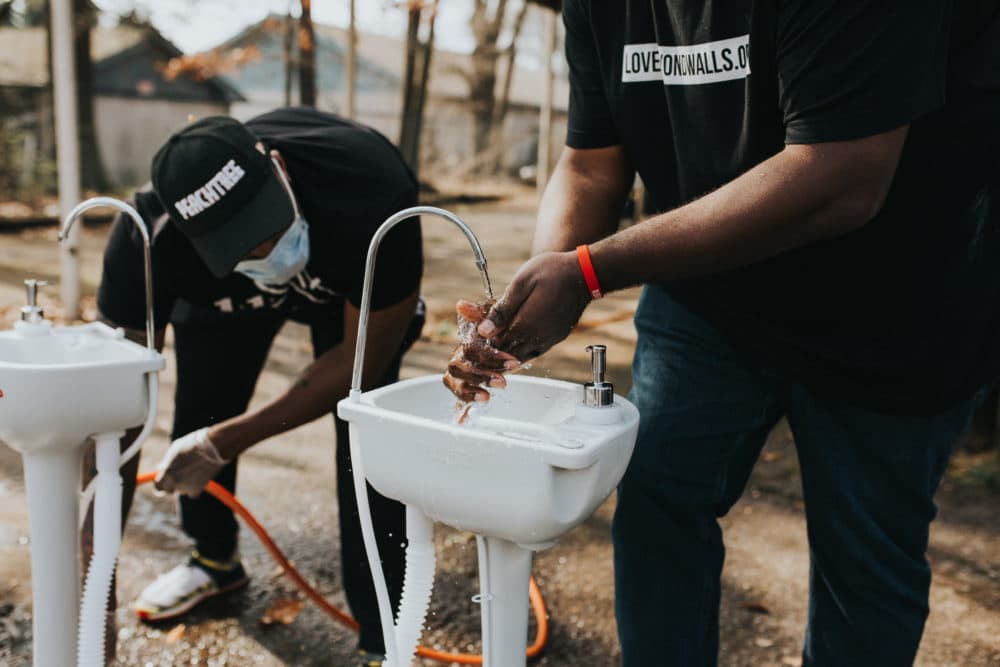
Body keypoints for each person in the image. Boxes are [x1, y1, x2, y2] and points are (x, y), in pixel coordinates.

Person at [445, 2, 1000, 665]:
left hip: (899, 299)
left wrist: (590, 271)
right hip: (706, 293)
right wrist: (538, 286)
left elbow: (842, 178)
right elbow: (592, 164)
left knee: (865, 561)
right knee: (657, 500)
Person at [91, 107, 423, 666]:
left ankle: (383, 633)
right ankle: (214, 560)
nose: (267, 252)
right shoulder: (146, 240)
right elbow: (111, 417)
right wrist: (94, 592)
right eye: (241, 244)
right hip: (227, 302)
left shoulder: (370, 187)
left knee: (367, 435)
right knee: (201, 410)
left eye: (266, 227)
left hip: (342, 283)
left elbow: (360, 364)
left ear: (276, 166)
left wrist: (231, 439)